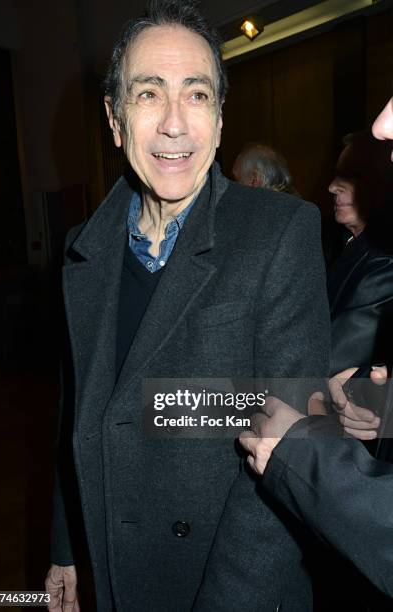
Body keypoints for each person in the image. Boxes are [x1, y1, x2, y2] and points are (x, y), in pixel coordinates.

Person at [45, 1, 330, 610]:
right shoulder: (82, 252)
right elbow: (81, 409)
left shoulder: (281, 234)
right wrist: (66, 544)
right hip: (115, 562)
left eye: (196, 95)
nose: (174, 123)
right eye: (149, 94)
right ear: (115, 120)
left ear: (220, 119)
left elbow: (286, 461)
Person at [239, 93, 393, 605]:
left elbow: (324, 364)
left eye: (346, 180)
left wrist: (189, 401)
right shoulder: (341, 245)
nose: (384, 122)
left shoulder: (380, 260)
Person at [327, 131, 393, 375]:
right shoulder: (345, 243)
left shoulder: (385, 262)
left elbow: (332, 362)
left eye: (352, 177)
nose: (332, 187)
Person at [232, 142, 299, 194]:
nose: (233, 187)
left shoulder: (262, 209)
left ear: (255, 180)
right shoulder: (299, 206)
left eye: (237, 180)